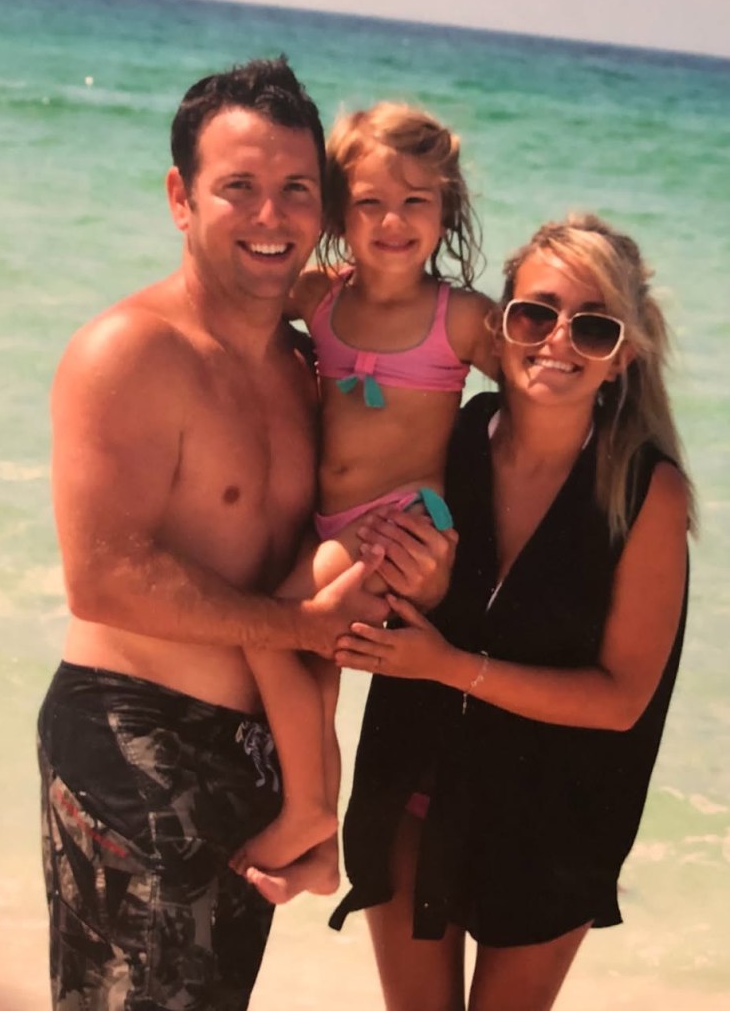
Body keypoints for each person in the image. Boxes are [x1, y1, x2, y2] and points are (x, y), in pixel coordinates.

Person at [37, 58, 448, 1011]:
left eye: (296, 190)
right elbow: (102, 579)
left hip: (255, 754)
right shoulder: (132, 350)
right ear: (181, 197)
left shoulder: (308, 370)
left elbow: (318, 558)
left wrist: (419, 568)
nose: (273, 217)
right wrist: (298, 631)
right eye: (240, 188)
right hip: (130, 735)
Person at [330, 213, 693, 1011]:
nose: (556, 340)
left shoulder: (645, 491)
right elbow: (359, 525)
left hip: (551, 821)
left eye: (590, 327)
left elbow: (620, 697)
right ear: (499, 327)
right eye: (535, 313)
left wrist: (453, 666)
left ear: (619, 357)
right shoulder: (451, 433)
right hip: (413, 782)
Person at [230, 102, 498, 901]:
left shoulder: (462, 319)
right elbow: (234, 295)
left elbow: (532, 398)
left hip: (399, 526)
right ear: (340, 212)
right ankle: (322, 850)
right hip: (331, 526)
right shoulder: (321, 296)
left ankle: (308, 809)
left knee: (267, 629)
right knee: (316, 680)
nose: (392, 220)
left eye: (416, 201)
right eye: (371, 202)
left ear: (445, 210)